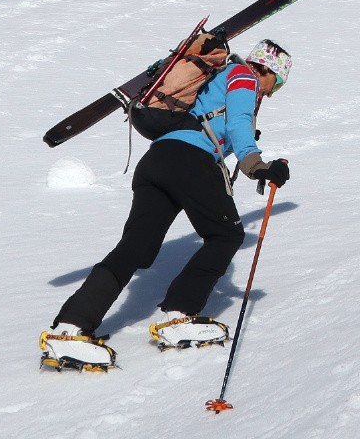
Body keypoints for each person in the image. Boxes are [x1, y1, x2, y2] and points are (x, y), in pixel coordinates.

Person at [40, 37, 294, 371]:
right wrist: (257, 166)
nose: (272, 93)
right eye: (276, 83)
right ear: (268, 71)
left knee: (135, 247)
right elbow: (238, 122)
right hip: (191, 161)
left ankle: (70, 326)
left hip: (157, 161)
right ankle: (179, 314)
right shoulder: (243, 76)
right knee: (227, 235)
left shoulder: (215, 78)